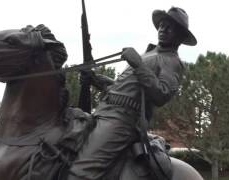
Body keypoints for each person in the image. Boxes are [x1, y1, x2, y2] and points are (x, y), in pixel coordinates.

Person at [67, 7, 197, 180]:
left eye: (169, 27)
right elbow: (125, 91)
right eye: (161, 25)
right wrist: (96, 80)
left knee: (81, 172)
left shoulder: (171, 62)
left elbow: (161, 94)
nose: (162, 29)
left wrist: (138, 64)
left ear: (180, 36)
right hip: (105, 112)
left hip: (122, 121)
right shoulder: (149, 54)